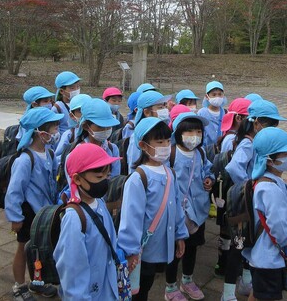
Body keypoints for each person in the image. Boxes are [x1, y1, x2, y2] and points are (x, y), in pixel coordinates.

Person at [118, 117, 189, 301]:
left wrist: (180, 235)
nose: (165, 145)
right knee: (137, 290)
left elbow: (177, 208)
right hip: (142, 251)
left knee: (147, 285)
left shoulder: (169, 172)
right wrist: (131, 251)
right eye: (159, 142)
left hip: (163, 245)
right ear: (143, 145)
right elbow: (131, 218)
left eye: (167, 141)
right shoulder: (138, 177)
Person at [221, 99, 285, 299]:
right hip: (243, 205)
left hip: (253, 204)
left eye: (274, 124)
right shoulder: (248, 144)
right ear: (255, 123)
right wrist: (249, 187)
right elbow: (233, 167)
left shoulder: (258, 142)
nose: (271, 127)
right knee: (237, 246)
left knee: (250, 243)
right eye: (267, 123)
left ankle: (247, 283)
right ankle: (228, 293)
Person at [242, 127, 287, 301]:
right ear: (270, 161)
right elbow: (279, 228)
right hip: (269, 259)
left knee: (258, 293)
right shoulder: (271, 188)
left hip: (261, 255)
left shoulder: (264, 180)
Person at [5, 108, 63, 300]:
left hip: (45, 213)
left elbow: (53, 181)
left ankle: (37, 283)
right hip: (28, 213)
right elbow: (14, 191)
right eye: (54, 128)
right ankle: (19, 285)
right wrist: (15, 217)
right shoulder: (24, 159)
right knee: (23, 248)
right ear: (41, 132)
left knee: (40, 250)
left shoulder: (51, 153)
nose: (57, 131)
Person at [54, 143, 121, 300]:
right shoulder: (74, 218)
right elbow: (72, 271)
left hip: (107, 289)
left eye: (107, 176)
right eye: (99, 177)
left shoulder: (100, 202)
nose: (105, 181)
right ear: (77, 179)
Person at [165, 112, 214, 300]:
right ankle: (170, 287)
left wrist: (208, 179)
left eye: (198, 131)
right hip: (177, 213)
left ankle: (187, 280)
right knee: (175, 250)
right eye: (189, 131)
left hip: (198, 211)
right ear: (178, 133)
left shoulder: (200, 152)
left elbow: (206, 170)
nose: (195, 135)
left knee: (192, 247)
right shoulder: (171, 153)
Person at [58, 98, 122, 188]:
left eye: (108, 126)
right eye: (100, 127)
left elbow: (114, 182)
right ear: (86, 126)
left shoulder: (112, 149)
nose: (106, 130)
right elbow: (73, 186)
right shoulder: (75, 152)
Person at [126, 90, 172, 173]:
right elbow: (133, 166)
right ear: (146, 112)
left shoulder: (164, 130)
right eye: (160, 107)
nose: (165, 110)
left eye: (165, 106)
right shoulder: (138, 136)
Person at [54, 93, 91, 161]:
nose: (84, 114)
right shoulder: (70, 134)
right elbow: (57, 158)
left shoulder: (98, 133)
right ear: (72, 115)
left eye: (88, 110)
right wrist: (72, 156)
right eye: (80, 111)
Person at [197, 81, 226, 157]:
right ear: (207, 96)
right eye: (214, 95)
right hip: (205, 151)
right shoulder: (201, 113)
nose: (217, 97)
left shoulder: (225, 113)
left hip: (220, 152)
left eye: (220, 94)